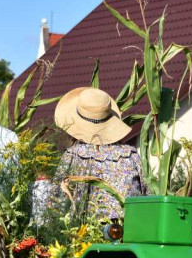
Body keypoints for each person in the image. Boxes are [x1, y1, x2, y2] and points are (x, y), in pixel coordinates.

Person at [50, 86, 147, 220]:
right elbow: (147, 195)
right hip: (131, 228)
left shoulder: (74, 155)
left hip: (87, 232)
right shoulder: (130, 154)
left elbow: (56, 199)